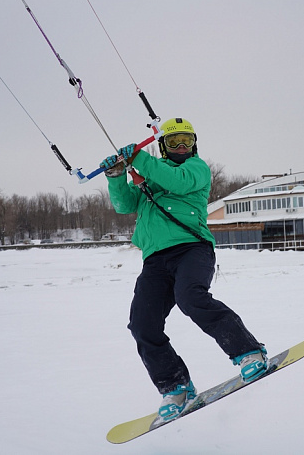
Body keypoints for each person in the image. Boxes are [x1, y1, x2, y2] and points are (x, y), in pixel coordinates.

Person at [99, 117, 267, 421]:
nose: (180, 146)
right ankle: (176, 386)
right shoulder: (150, 177)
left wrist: (139, 159)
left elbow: (176, 182)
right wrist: (115, 175)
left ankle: (249, 352)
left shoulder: (196, 169)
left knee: (191, 298)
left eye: (186, 142)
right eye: (174, 142)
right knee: (142, 324)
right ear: (162, 146)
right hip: (155, 260)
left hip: (192, 249)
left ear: (194, 145)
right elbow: (124, 205)